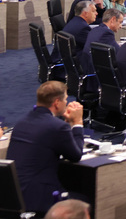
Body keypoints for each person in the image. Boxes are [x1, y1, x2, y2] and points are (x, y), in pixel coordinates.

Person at [6, 81, 84, 214]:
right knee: (85, 202)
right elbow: (76, 155)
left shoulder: (21, 122)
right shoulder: (57, 126)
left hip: (12, 196)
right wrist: (77, 122)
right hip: (39, 197)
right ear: (57, 102)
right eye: (65, 99)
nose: (66, 102)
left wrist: (67, 126)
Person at [51, 0, 96, 64]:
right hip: (66, 64)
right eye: (93, 11)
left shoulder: (75, 21)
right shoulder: (82, 28)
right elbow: (94, 47)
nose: (96, 13)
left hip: (63, 59)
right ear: (85, 13)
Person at [80, 7, 123, 74]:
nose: (121, 26)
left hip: (87, 69)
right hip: (96, 73)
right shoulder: (107, 33)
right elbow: (119, 54)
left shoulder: (96, 30)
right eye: (120, 22)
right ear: (113, 19)